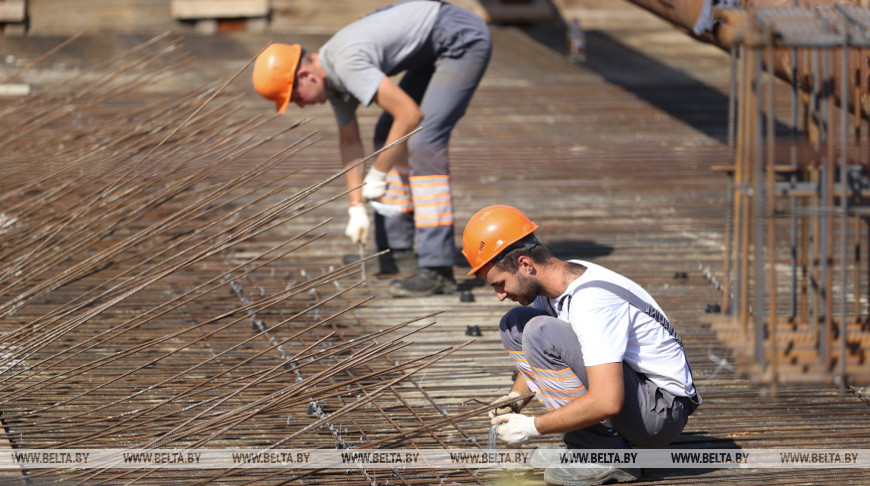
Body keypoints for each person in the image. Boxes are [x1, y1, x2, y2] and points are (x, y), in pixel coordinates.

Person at [252, 0, 492, 297]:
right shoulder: (332, 81)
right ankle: (398, 250)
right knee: (385, 133)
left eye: (295, 97)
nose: (300, 105)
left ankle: (438, 268)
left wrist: (377, 174)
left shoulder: (346, 63)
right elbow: (350, 142)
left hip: (462, 39)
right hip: (431, 48)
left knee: (423, 140)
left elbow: (409, 115)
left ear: (305, 76)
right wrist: (356, 207)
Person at [461, 205, 700, 486]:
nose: (500, 295)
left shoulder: (591, 301)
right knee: (515, 323)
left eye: (500, 284)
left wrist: (532, 427)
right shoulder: (554, 283)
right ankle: (588, 446)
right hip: (638, 396)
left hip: (661, 413)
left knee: (540, 331)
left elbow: (607, 400)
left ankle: (604, 454)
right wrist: (515, 400)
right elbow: (546, 359)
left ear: (526, 264)